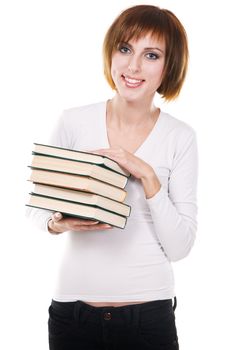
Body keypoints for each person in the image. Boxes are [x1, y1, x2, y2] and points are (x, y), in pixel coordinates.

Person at [27, 4, 198, 350]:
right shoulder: (73, 122)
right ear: (111, 54)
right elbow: (35, 209)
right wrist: (59, 223)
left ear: (169, 67)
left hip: (149, 316)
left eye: (151, 55)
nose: (133, 66)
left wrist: (148, 177)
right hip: (72, 315)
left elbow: (181, 247)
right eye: (125, 49)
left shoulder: (180, 136)